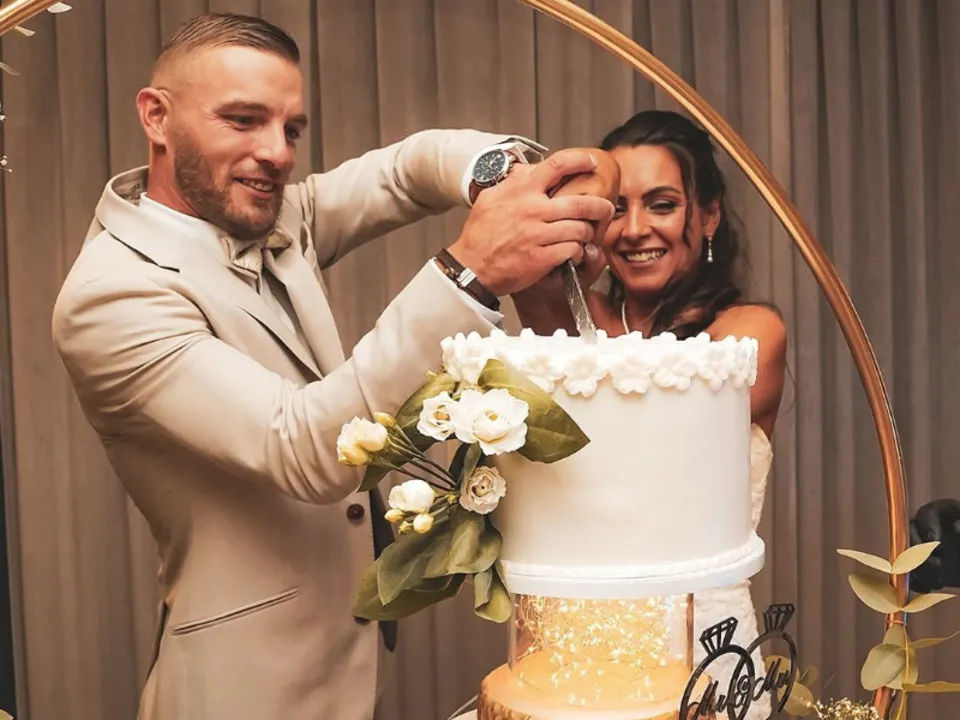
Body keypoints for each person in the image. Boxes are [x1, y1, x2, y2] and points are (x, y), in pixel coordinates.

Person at [50, 12, 614, 720]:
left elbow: (406, 172)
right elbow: (304, 447)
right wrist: (470, 272)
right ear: (156, 116)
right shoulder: (109, 297)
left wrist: (504, 177)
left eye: (291, 129)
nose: (277, 153)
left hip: (346, 667)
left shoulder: (276, 215)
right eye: (243, 120)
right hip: (243, 690)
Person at [512, 109, 787, 720]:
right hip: (576, 638)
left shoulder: (750, 334)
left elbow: (645, 427)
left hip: (701, 642)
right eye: (616, 209)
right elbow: (526, 258)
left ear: (708, 216)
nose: (635, 229)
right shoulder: (570, 314)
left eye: (662, 205)